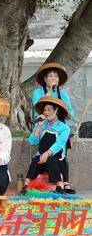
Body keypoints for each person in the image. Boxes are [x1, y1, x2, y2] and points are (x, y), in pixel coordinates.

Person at [32, 62, 75, 194]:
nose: (53, 79)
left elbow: (70, 111)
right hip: (43, 125)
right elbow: (37, 107)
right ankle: (40, 179)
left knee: (62, 154)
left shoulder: (63, 94)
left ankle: (65, 181)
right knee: (42, 152)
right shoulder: (38, 92)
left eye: (55, 77)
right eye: (50, 76)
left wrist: (67, 112)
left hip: (60, 127)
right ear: (45, 79)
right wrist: (50, 92)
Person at [21, 96, 71, 195]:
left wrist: (47, 154)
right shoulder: (41, 125)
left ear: (56, 110)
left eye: (49, 110)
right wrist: (38, 126)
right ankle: (25, 186)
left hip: (57, 158)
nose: (46, 112)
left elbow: (59, 144)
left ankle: (59, 186)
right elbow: (32, 142)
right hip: (41, 157)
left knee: (51, 160)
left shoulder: (64, 128)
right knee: (35, 160)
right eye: (45, 110)